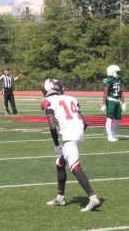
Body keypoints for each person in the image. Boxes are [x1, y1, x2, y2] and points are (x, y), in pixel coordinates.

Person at [41, 78, 102, 212]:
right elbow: (85, 123)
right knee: (60, 163)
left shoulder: (47, 101)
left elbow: (52, 126)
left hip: (69, 135)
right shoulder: (72, 99)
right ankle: (60, 198)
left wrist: (57, 144)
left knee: (75, 167)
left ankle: (92, 197)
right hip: (79, 131)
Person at [101, 64, 127, 142]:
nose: (118, 73)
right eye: (117, 72)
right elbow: (105, 93)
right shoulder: (108, 80)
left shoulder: (118, 79)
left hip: (117, 101)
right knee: (109, 118)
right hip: (111, 101)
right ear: (112, 72)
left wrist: (123, 102)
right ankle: (109, 135)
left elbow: (120, 91)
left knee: (118, 119)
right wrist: (104, 104)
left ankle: (113, 133)